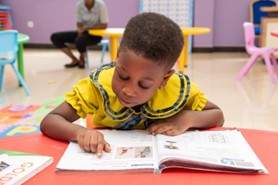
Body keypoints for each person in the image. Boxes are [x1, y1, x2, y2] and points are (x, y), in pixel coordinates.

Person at [41, 12, 225, 157]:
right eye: (122, 75)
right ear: (118, 55)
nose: (128, 91)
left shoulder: (176, 89)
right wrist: (78, 132)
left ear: (164, 79)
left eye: (144, 85)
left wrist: (187, 119)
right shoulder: (98, 87)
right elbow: (50, 120)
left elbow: (217, 115)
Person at [50, 0, 108, 69]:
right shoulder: (79, 4)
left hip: (96, 35)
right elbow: (79, 23)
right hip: (83, 32)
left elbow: (104, 25)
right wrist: (80, 32)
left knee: (79, 40)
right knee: (55, 37)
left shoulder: (100, 4)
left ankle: (82, 59)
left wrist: (88, 28)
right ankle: (74, 59)